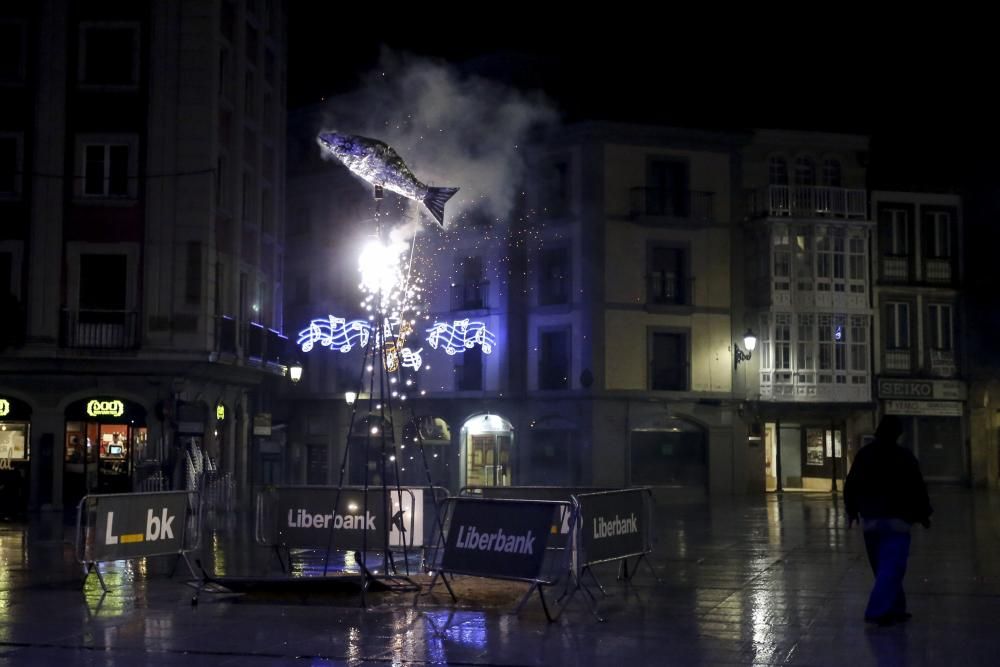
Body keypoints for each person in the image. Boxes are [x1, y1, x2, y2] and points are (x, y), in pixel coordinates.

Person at [844, 415, 932, 626]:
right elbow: (917, 487)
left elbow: (852, 484)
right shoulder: (904, 456)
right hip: (897, 521)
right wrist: (923, 515)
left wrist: (852, 511)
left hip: (871, 520)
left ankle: (897, 608)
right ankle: (878, 611)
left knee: (883, 568)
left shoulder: (865, 455)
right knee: (893, 567)